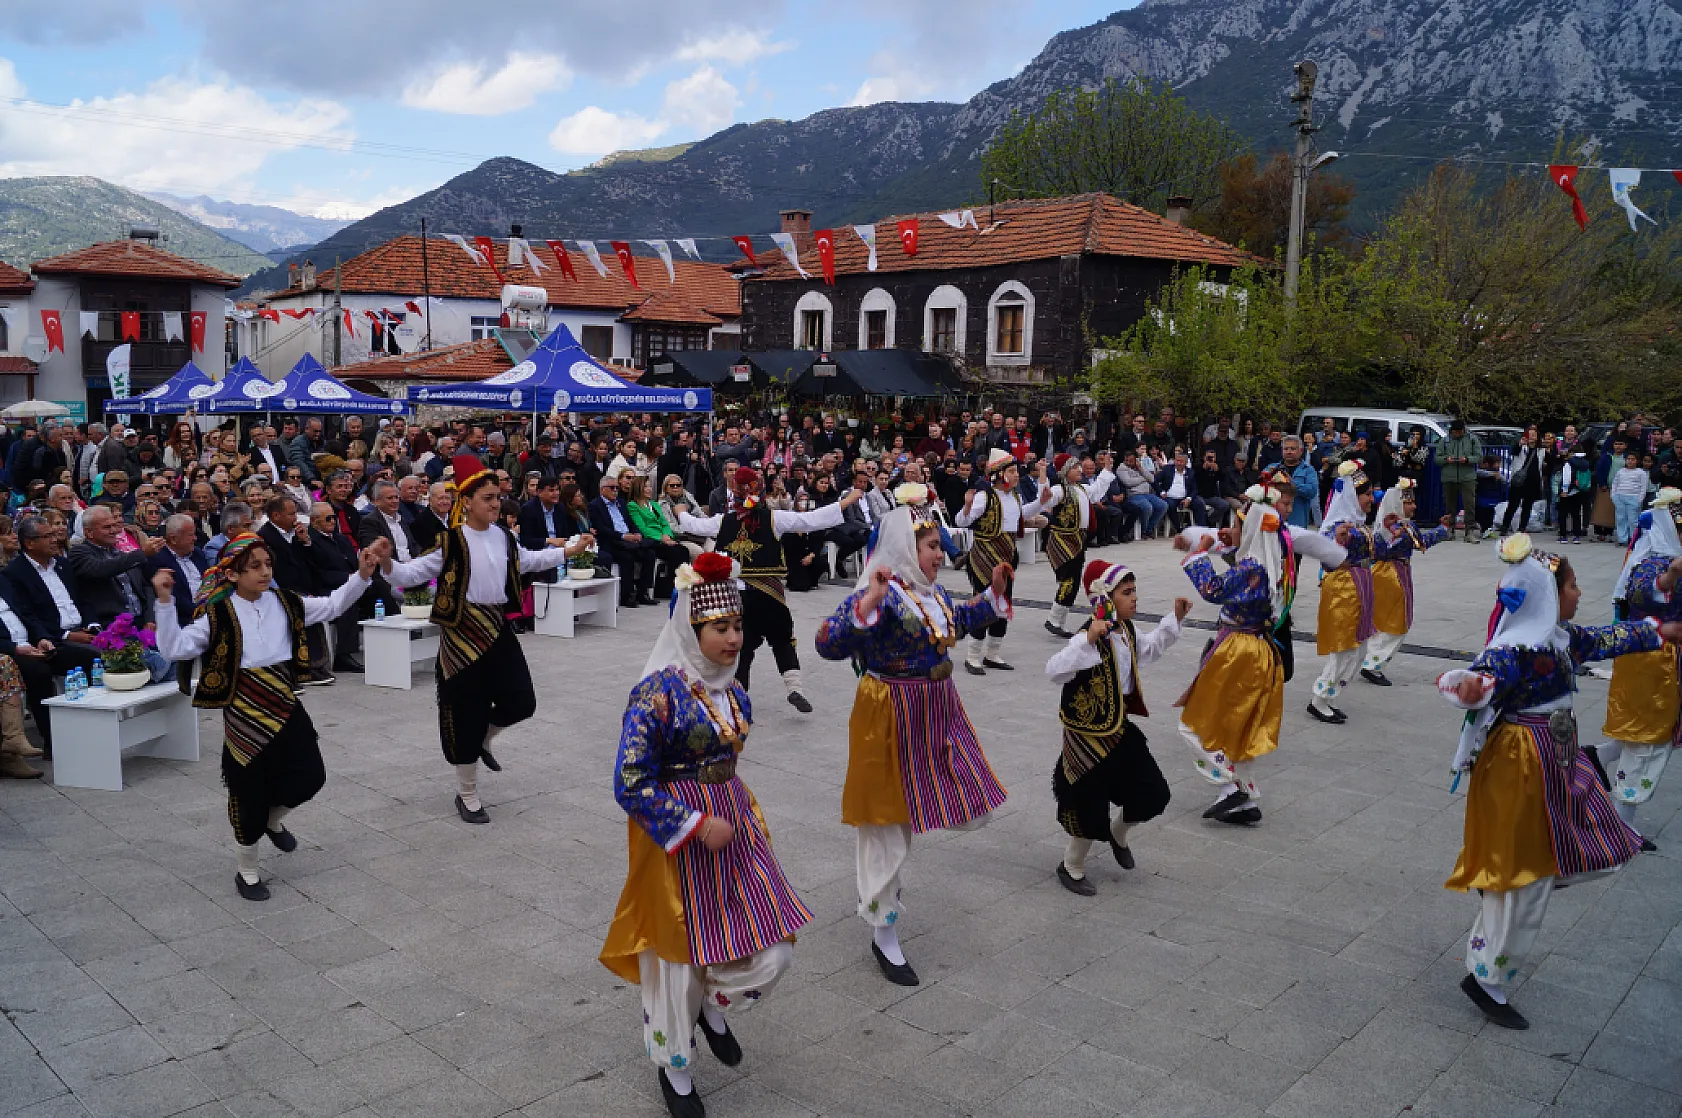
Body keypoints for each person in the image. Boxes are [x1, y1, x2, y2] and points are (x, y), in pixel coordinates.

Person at [1438, 534, 1681, 1029]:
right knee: (1527, 876)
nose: (1579, 592)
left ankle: (1526, 887)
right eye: (1572, 585)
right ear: (1550, 593)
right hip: (1522, 761)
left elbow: (1609, 638)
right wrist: (1468, 686)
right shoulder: (1517, 648)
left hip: (1555, 751)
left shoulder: (1561, 637)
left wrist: (1660, 629)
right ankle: (1488, 976)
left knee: (1558, 854)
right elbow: (1478, 678)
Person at [599, 552, 809, 1117]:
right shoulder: (656, 695)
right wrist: (692, 823)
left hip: (733, 827)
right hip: (674, 837)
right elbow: (629, 781)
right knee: (676, 955)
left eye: (737, 626)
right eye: (720, 628)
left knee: (773, 946)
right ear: (691, 631)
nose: (734, 638)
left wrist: (727, 814)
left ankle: (711, 1004)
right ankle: (675, 1067)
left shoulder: (734, 692)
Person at [814, 485, 1011, 986]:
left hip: (935, 712)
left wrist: (993, 594)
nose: (940, 555)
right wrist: (869, 601)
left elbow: (959, 619)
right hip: (888, 715)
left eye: (940, 546)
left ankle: (885, 898)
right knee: (885, 825)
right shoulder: (883, 593)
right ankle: (884, 930)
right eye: (931, 546)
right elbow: (828, 643)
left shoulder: (932, 594)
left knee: (945, 800)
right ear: (906, 547)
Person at [379, 455, 587, 825]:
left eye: (497, 497)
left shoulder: (503, 536)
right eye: (488, 498)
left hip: (496, 625)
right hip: (462, 633)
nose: (495, 504)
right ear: (467, 501)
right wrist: (385, 563)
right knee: (466, 711)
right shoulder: (451, 541)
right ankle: (468, 794)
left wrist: (569, 551)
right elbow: (410, 574)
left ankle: (485, 737)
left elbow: (528, 560)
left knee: (521, 701)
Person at [1046, 560, 1188, 893]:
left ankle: (1118, 832)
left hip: (1118, 727)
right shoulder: (1090, 634)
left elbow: (1148, 649)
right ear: (1105, 599)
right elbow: (1054, 670)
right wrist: (1087, 641)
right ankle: (1072, 866)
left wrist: (1174, 620)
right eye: (1126, 592)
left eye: (1134, 590)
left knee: (1154, 793)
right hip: (1087, 734)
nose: (1134, 598)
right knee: (1087, 802)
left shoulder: (1126, 631)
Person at [677, 467, 860, 712]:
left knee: (743, 646)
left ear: (735, 492)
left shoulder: (723, 521)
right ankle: (794, 687)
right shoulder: (775, 518)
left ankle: (738, 697)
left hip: (738, 596)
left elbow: (696, 525)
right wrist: (846, 501)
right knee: (782, 639)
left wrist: (681, 512)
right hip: (769, 593)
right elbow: (810, 520)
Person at [1174, 489, 1289, 824]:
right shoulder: (1273, 564)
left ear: (1249, 527)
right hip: (1259, 649)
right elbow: (1242, 583)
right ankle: (1243, 798)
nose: (1230, 530)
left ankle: (1230, 785)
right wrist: (1231, 546)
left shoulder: (1251, 567)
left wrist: (1200, 553)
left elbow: (1214, 590)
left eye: (1237, 525)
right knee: (1235, 727)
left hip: (1237, 650)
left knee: (1192, 724)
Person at [1600, 490, 1682, 846]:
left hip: (1663, 665)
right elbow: (1639, 593)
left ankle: (1596, 758)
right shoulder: (1652, 560)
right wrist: (1670, 576)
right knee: (1646, 744)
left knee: (1643, 738)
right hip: (1651, 664)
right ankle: (1621, 827)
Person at [955, 449, 1047, 674]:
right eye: (1012, 471)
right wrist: (967, 506)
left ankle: (992, 653)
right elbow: (961, 521)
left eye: (1016, 471)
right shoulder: (984, 497)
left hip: (1006, 558)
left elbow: (1022, 513)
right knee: (983, 604)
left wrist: (1040, 502)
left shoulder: (1014, 497)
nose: (1017, 475)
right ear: (999, 474)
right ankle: (972, 656)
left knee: (1003, 603)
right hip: (983, 558)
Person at [1360, 479, 1452, 686]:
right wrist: (1443, 529)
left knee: (1381, 621)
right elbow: (1420, 543)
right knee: (1398, 622)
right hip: (1393, 577)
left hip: (1381, 574)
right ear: (1397, 504)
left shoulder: (1385, 526)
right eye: (1408, 503)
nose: (1413, 506)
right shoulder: (1402, 527)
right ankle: (1373, 664)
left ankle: (1369, 659)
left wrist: (1441, 528)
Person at [1308, 462, 1376, 723]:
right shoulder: (1337, 526)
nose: (1371, 499)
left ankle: (1330, 694)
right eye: (1367, 494)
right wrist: (1337, 540)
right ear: (1351, 496)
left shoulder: (1359, 522)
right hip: (1344, 589)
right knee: (1345, 648)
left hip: (1361, 586)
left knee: (1359, 649)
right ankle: (1319, 698)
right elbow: (1325, 551)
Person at [1041, 455, 1116, 639]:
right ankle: (1053, 620)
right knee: (1068, 580)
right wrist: (1042, 475)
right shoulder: (1060, 490)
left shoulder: (1081, 488)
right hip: (1061, 541)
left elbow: (1097, 490)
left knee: (1073, 581)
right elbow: (1046, 499)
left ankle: (1058, 621)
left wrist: (1107, 468)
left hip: (1077, 540)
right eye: (1075, 467)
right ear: (1065, 471)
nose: (1080, 470)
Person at [1439, 419, 1483, 542]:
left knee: (1469, 505)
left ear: (1464, 430)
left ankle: (1469, 532)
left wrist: (1468, 459)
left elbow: (1479, 457)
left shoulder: (1472, 440)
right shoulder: (1445, 440)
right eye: (1455, 432)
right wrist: (1446, 459)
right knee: (1449, 505)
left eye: (1459, 432)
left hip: (1467, 477)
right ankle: (1449, 529)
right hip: (1449, 476)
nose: (1457, 434)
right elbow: (1437, 458)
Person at [1610, 449, 1648, 545]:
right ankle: (1622, 539)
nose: (1630, 461)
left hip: (1634, 498)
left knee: (1633, 520)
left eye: (1633, 459)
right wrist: (1613, 495)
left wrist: (1639, 499)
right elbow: (1615, 483)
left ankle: (1633, 539)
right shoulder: (1621, 471)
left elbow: (1643, 487)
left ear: (1637, 461)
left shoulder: (1641, 473)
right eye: (1628, 459)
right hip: (1620, 497)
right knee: (1620, 519)